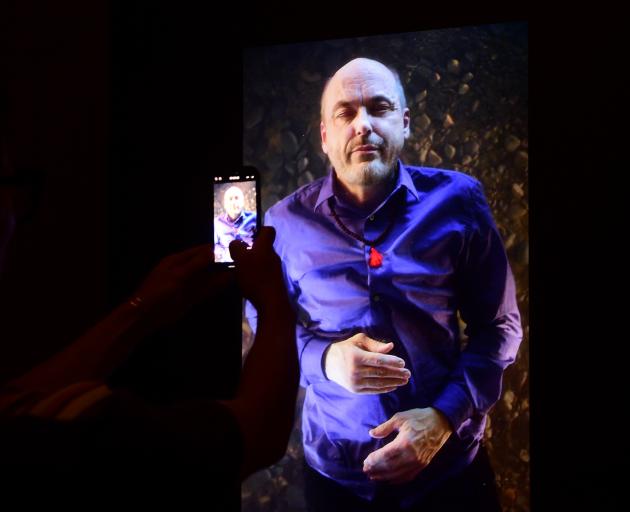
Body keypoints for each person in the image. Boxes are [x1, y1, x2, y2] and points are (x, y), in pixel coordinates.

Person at [256, 58, 523, 511]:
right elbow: (263, 320)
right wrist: (323, 360)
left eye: (379, 108)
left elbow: (500, 327)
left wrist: (443, 418)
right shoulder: (282, 224)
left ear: (403, 123)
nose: (363, 124)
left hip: (448, 470)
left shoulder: (460, 201)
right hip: (337, 478)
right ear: (325, 136)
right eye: (345, 113)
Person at [0, 132, 298, 506]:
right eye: (10, 184)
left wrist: (144, 307)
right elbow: (258, 431)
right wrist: (273, 297)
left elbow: (19, 399)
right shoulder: (85, 437)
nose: (15, 210)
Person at [214, 185, 257, 262]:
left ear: (243, 201)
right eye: (230, 199)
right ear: (225, 204)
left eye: (237, 198)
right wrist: (225, 253)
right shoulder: (217, 223)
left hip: (250, 263)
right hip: (226, 265)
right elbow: (214, 244)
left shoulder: (254, 218)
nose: (234, 202)